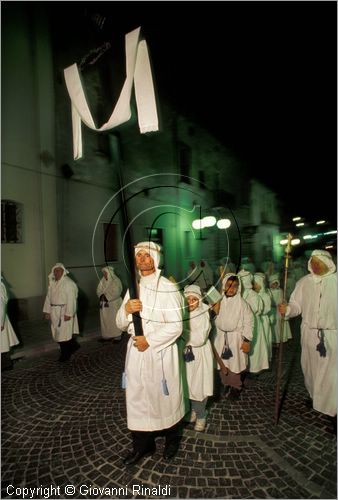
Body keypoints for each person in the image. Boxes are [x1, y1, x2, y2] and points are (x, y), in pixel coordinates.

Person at [116, 241, 185, 466]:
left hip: (161, 354)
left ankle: (172, 440)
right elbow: (119, 323)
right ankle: (142, 446)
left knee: (164, 398)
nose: (142, 259)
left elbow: (176, 326)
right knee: (137, 399)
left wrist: (151, 341)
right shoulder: (133, 288)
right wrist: (126, 310)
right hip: (137, 353)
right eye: (139, 256)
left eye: (147, 255)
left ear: (155, 259)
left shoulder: (168, 287)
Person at [278, 250, 336, 419]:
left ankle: (332, 410)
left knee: (330, 374)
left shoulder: (336, 282)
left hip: (332, 335)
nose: (315, 265)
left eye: (319, 262)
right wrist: (287, 309)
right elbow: (296, 305)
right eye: (313, 262)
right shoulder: (304, 282)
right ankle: (315, 397)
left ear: (327, 263)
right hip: (309, 335)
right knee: (310, 370)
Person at [213, 274, 253, 399]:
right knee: (222, 362)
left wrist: (247, 340)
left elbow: (249, 322)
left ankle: (236, 385)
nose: (231, 289)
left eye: (234, 286)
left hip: (235, 338)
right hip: (220, 336)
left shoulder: (242, 304)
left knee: (235, 363)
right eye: (228, 286)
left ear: (238, 288)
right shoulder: (219, 301)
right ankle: (226, 383)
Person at [183, 284, 214, 431]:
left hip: (199, 355)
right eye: (187, 299)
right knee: (187, 385)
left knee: (198, 386)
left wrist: (182, 334)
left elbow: (200, 338)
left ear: (199, 300)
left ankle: (202, 415)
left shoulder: (203, 313)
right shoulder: (181, 314)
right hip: (186, 355)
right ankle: (194, 410)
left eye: (193, 299)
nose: (190, 302)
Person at [43, 263, 80, 362]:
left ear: (63, 271)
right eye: (55, 271)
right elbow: (48, 298)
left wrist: (69, 313)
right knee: (58, 334)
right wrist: (47, 311)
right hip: (55, 312)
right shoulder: (53, 283)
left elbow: (71, 299)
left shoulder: (69, 283)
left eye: (58, 270)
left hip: (64, 312)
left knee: (64, 335)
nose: (56, 273)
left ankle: (65, 354)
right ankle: (74, 346)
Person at [96, 266, 123, 342]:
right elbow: (98, 290)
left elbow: (117, 291)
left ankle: (117, 335)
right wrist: (101, 295)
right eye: (103, 273)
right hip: (104, 304)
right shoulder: (102, 281)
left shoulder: (116, 280)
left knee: (114, 319)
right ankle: (107, 335)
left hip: (114, 304)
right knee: (105, 320)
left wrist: (106, 296)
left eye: (105, 273)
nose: (104, 275)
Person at [268, 274, 292, 345]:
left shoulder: (280, 291)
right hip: (272, 311)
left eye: (275, 284)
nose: (274, 286)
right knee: (273, 326)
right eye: (272, 284)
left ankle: (279, 340)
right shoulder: (269, 291)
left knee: (279, 325)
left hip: (279, 310)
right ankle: (273, 340)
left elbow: (283, 300)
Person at [1, 277, 19, 370]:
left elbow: (1, 305)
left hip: (1, 320)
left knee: (3, 344)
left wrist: (1, 322)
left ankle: (6, 365)